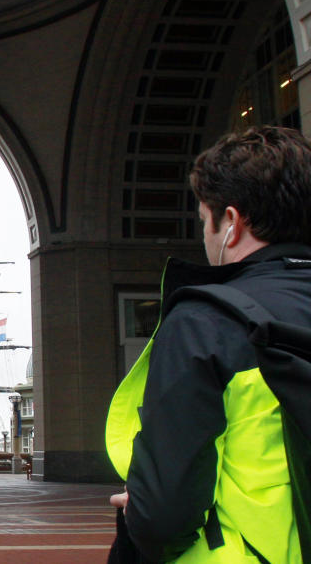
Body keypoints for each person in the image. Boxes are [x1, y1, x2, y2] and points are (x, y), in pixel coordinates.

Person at [105, 126, 311, 563]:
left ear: (231, 223)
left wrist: (139, 513)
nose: (205, 235)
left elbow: (165, 513)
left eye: (204, 221)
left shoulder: (207, 321)